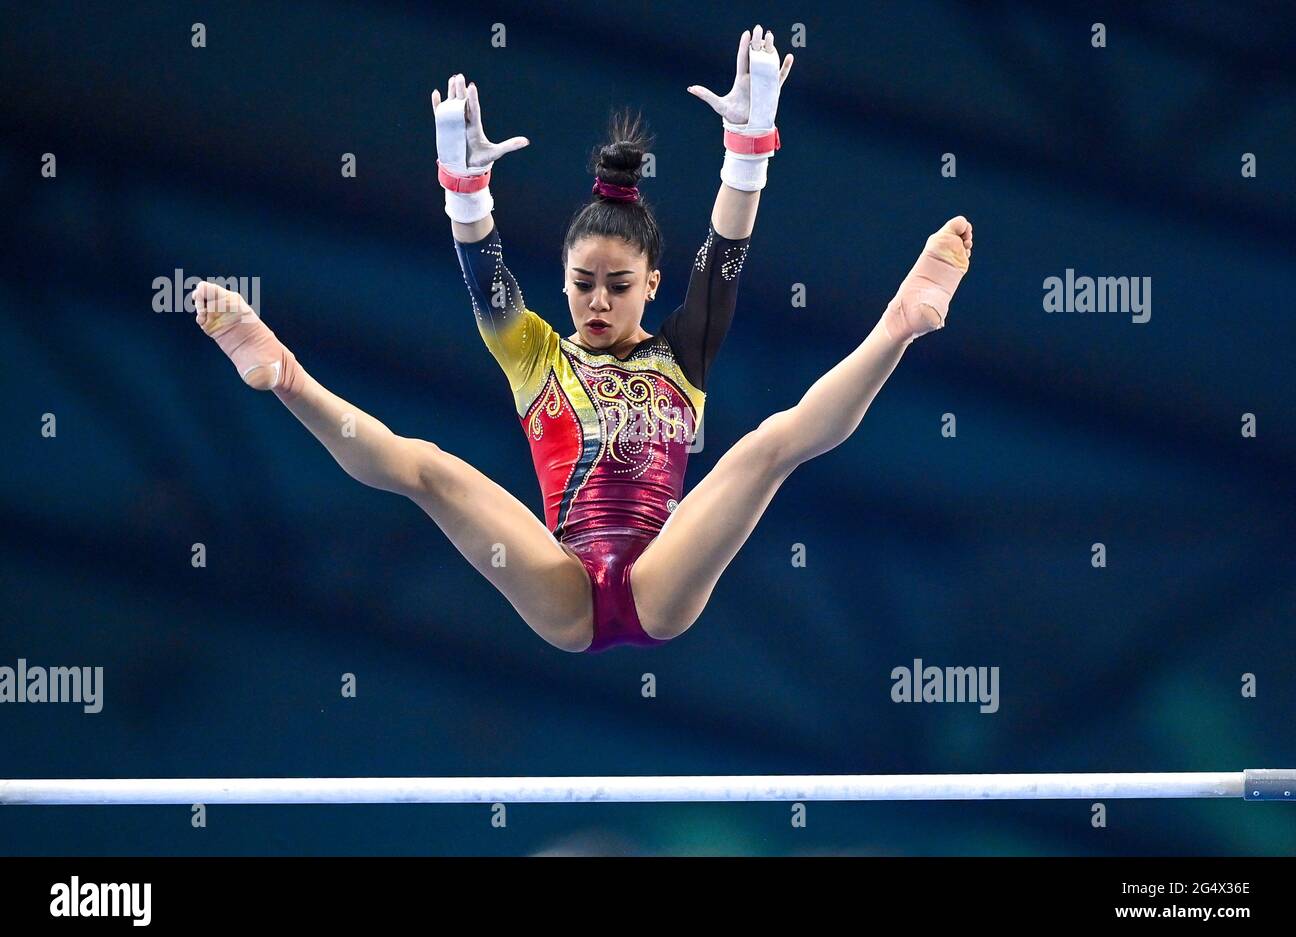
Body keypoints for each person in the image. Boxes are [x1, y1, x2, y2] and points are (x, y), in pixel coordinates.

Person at [191, 24, 972, 655]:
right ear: (562, 280)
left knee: (770, 445)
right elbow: (484, 272)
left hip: (661, 586)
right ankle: (288, 376)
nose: (598, 301)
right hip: (562, 588)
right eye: (582, 283)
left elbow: (725, 252)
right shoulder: (533, 352)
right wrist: (465, 194)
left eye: (619, 286)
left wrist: (747, 150)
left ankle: (900, 324)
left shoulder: (683, 351)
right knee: (427, 469)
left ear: (654, 284)